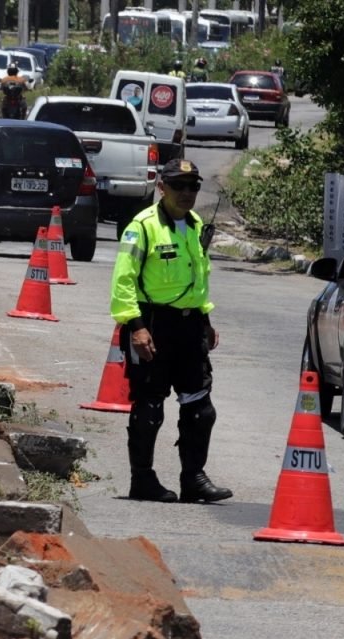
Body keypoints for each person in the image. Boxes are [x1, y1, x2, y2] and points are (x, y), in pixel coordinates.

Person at [110, 158, 232, 504]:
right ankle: (143, 480)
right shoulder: (143, 226)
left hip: (189, 326)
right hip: (151, 325)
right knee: (149, 408)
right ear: (161, 187)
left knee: (200, 408)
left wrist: (205, 321)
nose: (187, 193)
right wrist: (135, 327)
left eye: (193, 186)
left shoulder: (194, 224)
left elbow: (196, 278)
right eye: (178, 185)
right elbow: (123, 280)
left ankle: (193, 479)